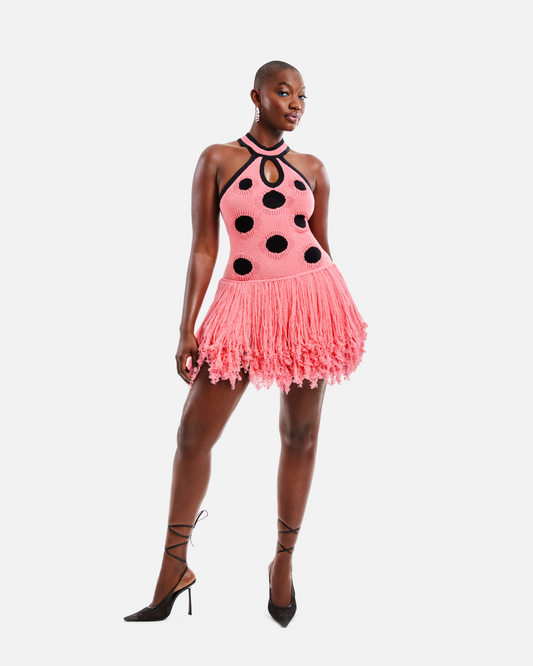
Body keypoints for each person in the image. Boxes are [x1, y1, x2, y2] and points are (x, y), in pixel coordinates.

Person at [124, 60, 367, 628]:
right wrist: (186, 326)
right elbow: (203, 247)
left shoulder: (313, 168)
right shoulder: (217, 159)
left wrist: (332, 311)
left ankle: (283, 563)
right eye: (283, 91)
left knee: (301, 434)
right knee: (192, 435)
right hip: (241, 303)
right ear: (255, 97)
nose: (296, 103)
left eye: (303, 95)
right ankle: (173, 566)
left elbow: (321, 244)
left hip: (310, 301)